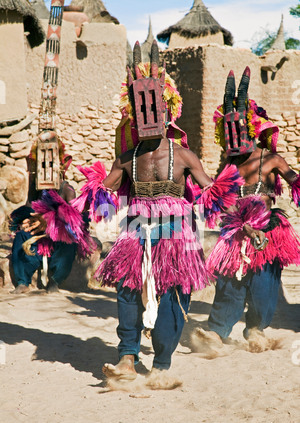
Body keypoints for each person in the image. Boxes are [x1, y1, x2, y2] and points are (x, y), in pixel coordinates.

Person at [72, 41, 243, 387]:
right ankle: (127, 356)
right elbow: (104, 194)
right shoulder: (127, 158)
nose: (150, 116)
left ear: (168, 113)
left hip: (177, 233)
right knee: (126, 288)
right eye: (142, 109)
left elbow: (213, 192)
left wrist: (231, 190)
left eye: (156, 108)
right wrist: (85, 196)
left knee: (176, 291)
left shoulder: (184, 156)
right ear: (134, 114)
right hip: (135, 229)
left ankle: (162, 362)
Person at [195, 67, 300, 353]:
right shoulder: (229, 165)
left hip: (268, 232)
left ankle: (255, 329)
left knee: (264, 288)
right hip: (236, 232)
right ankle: (216, 332)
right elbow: (220, 197)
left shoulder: (270, 160)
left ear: (249, 130)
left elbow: (295, 181)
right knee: (229, 284)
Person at [9, 131, 96, 294]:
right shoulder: (36, 188)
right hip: (38, 236)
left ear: (61, 164)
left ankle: (55, 281)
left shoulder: (66, 190)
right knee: (21, 236)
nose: (46, 168)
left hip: (58, 237)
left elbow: (73, 220)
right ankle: (23, 281)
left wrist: (51, 223)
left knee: (69, 240)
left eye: (51, 163)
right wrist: (25, 220)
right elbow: (29, 208)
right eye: (42, 163)